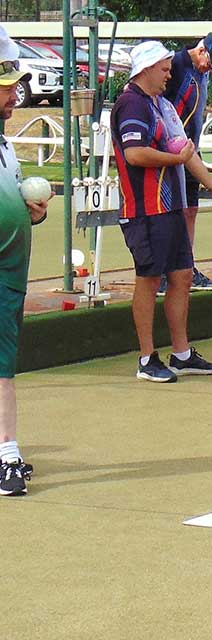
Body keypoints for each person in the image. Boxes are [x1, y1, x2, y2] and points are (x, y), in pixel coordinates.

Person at [111, 41, 212, 383]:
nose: (170, 75)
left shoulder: (162, 105)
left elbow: (187, 151)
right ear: (146, 69)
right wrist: (175, 159)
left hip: (171, 207)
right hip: (145, 209)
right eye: (165, 69)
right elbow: (135, 154)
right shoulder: (131, 103)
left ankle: (181, 355)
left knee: (182, 276)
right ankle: (146, 358)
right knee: (150, 279)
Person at [0, 30, 49, 495]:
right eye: (7, 87)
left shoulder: (6, 146)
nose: (16, 94)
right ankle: (8, 455)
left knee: (3, 365)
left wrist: (29, 212)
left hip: (11, 276)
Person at [160, 32, 212, 294]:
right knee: (172, 212)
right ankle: (166, 272)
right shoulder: (177, 65)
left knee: (191, 210)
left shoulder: (202, 73)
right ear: (201, 51)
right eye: (209, 64)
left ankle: (186, 267)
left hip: (192, 148)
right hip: (171, 148)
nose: (210, 70)